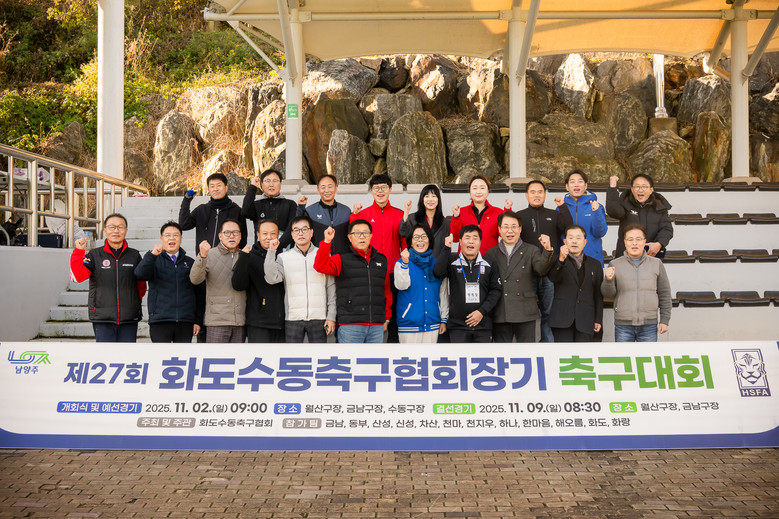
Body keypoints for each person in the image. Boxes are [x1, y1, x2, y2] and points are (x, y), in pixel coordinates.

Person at [69, 213, 146, 342]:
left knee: (128, 353)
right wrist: (78, 252)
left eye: (120, 227)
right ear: (105, 230)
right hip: (102, 318)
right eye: (112, 227)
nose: (116, 231)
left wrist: (131, 302)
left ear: (126, 230)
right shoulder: (94, 255)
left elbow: (141, 285)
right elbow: (78, 277)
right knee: (105, 354)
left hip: (129, 318)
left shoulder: (134, 255)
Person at [314, 220, 392, 344]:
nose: (362, 237)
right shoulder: (341, 258)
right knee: (349, 356)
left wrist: (386, 317)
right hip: (350, 325)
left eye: (365, 233)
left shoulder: (381, 260)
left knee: (375, 357)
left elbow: (386, 290)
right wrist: (327, 242)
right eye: (357, 233)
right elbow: (320, 266)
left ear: (371, 236)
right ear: (350, 237)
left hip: (376, 325)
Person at [516, 180, 573, 343]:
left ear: (545, 195)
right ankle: (527, 346)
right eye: (532, 192)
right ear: (526, 195)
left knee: (548, 312)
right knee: (526, 312)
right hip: (527, 273)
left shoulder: (554, 214)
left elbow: (569, 228)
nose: (536, 195)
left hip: (550, 272)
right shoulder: (520, 216)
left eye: (540, 192)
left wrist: (563, 207)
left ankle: (547, 347)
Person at [264, 215, 336, 343]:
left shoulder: (323, 254)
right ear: (292, 234)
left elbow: (331, 287)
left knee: (320, 354)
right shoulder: (283, 257)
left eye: (304, 229)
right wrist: (271, 252)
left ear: (311, 232)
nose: (300, 233)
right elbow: (271, 278)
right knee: (293, 354)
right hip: (293, 318)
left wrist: (331, 317)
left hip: (319, 317)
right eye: (296, 230)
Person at [484, 212, 554, 343]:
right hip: (500, 311)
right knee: (502, 352)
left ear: (520, 229)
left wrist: (547, 250)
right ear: (499, 229)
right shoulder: (491, 253)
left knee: (527, 352)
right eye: (505, 227)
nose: (510, 231)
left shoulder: (531, 250)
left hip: (525, 311)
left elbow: (541, 270)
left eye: (514, 226)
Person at [350, 173, 404, 342]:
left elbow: (404, 244)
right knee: (370, 310)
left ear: (390, 190)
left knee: (394, 312)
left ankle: (393, 348)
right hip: (370, 271)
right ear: (371, 191)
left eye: (383, 187)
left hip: (393, 271)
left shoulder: (400, 214)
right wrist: (354, 215)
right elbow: (353, 239)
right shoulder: (363, 214)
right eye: (376, 188)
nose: (380, 191)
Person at [601, 224, 672, 342]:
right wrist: (608, 280)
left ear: (644, 241)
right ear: (625, 242)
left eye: (638, 239)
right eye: (630, 239)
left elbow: (664, 293)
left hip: (649, 325)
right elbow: (608, 294)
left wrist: (664, 320)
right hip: (623, 325)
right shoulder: (615, 264)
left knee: (648, 355)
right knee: (624, 354)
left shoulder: (656, 263)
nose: (634, 243)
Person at [134, 221, 202, 343]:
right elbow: (140, 274)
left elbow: (199, 293)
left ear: (181, 239)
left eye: (176, 235)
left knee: (182, 354)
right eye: (167, 235)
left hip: (185, 321)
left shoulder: (190, 262)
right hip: (160, 321)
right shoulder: (153, 259)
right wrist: (152, 255)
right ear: (161, 239)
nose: (172, 238)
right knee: (160, 354)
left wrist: (197, 320)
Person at [433, 225, 502, 343]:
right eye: (467, 237)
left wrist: (481, 311)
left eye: (475, 238)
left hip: (483, 325)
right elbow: (438, 272)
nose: (471, 241)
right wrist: (447, 247)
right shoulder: (452, 261)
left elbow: (496, 290)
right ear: (460, 241)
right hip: (458, 326)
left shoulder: (489, 263)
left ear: (480, 242)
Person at [189, 219, 247, 343]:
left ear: (240, 236)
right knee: (216, 355)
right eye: (227, 232)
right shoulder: (209, 254)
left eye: (235, 232)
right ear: (220, 236)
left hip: (240, 321)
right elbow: (195, 279)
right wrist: (202, 256)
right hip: (217, 321)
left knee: (237, 355)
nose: (231, 236)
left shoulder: (245, 255)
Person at [231, 219, 286, 343]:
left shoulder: (283, 257)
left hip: (282, 323)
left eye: (273, 234)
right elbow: (238, 285)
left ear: (278, 235)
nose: (269, 237)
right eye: (265, 233)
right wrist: (243, 257)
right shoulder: (249, 257)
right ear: (258, 235)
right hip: (258, 324)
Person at [548, 225, 604, 342]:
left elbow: (598, 295)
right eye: (570, 238)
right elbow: (553, 278)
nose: (574, 241)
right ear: (565, 241)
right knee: (563, 352)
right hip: (562, 319)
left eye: (578, 238)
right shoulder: (555, 260)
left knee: (584, 353)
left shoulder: (595, 264)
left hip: (586, 319)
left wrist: (598, 319)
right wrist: (561, 260)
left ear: (585, 242)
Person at [394, 224, 448, 343]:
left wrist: (444, 319)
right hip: (408, 325)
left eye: (424, 236)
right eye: (416, 237)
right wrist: (405, 264)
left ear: (429, 240)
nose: (420, 240)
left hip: (433, 323)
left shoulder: (437, 264)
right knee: (409, 355)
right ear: (411, 242)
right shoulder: (401, 262)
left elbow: (443, 293)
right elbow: (401, 285)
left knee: (430, 356)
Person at [606, 174, 673, 259]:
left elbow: (667, 229)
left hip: (650, 256)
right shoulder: (625, 202)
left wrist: (659, 244)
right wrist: (612, 188)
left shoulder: (659, 206)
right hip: (625, 256)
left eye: (644, 187)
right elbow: (613, 211)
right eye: (637, 186)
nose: (640, 190)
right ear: (632, 189)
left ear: (651, 190)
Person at [179, 172, 246, 251]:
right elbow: (184, 225)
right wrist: (186, 200)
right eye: (212, 186)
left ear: (226, 188)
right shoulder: (201, 210)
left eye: (219, 185)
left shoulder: (236, 211)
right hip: (205, 256)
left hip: (228, 257)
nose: (215, 189)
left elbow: (243, 238)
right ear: (208, 190)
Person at [450, 174, 512, 254]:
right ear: (470, 191)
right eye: (475, 188)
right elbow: (455, 238)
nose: (478, 192)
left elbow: (505, 235)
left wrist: (507, 211)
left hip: (491, 258)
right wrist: (456, 217)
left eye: (482, 188)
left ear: (488, 191)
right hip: (466, 258)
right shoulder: (461, 212)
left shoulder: (498, 212)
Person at [559, 169, 607, 267]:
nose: (576, 185)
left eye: (580, 181)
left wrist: (596, 212)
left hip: (592, 258)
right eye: (572, 182)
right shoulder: (561, 207)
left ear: (585, 186)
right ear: (567, 187)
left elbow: (600, 232)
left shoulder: (596, 206)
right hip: (568, 260)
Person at [242, 168, 298, 248]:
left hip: (284, 250)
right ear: (261, 184)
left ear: (280, 184)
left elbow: (292, 227)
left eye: (275, 181)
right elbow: (245, 211)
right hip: (261, 251)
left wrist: (278, 245)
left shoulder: (290, 204)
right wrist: (253, 187)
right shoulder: (257, 205)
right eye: (267, 181)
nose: (271, 185)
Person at [299, 174, 351, 254]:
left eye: (330, 186)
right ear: (318, 190)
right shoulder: (310, 211)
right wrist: (300, 208)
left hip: (342, 257)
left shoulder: (346, 211)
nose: (326, 190)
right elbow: (298, 230)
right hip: (318, 256)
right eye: (323, 187)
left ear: (336, 188)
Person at [399, 184, 451, 257]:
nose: (430, 199)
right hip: (417, 261)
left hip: (438, 262)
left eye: (434, 196)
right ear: (422, 199)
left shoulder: (445, 222)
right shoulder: (412, 218)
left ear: (438, 199)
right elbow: (403, 233)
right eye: (427, 196)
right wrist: (406, 211)